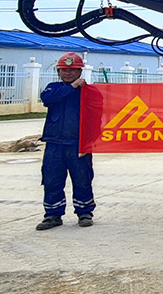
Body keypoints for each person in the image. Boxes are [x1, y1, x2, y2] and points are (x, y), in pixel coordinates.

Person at [36, 52, 96, 230]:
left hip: (79, 145)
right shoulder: (52, 88)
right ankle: (52, 215)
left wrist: (89, 142)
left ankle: (84, 213)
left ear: (80, 71)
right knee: (52, 180)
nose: (68, 73)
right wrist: (72, 87)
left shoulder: (89, 92)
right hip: (54, 144)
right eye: (64, 70)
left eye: (72, 70)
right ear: (58, 72)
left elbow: (96, 117)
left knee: (82, 179)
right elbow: (47, 99)